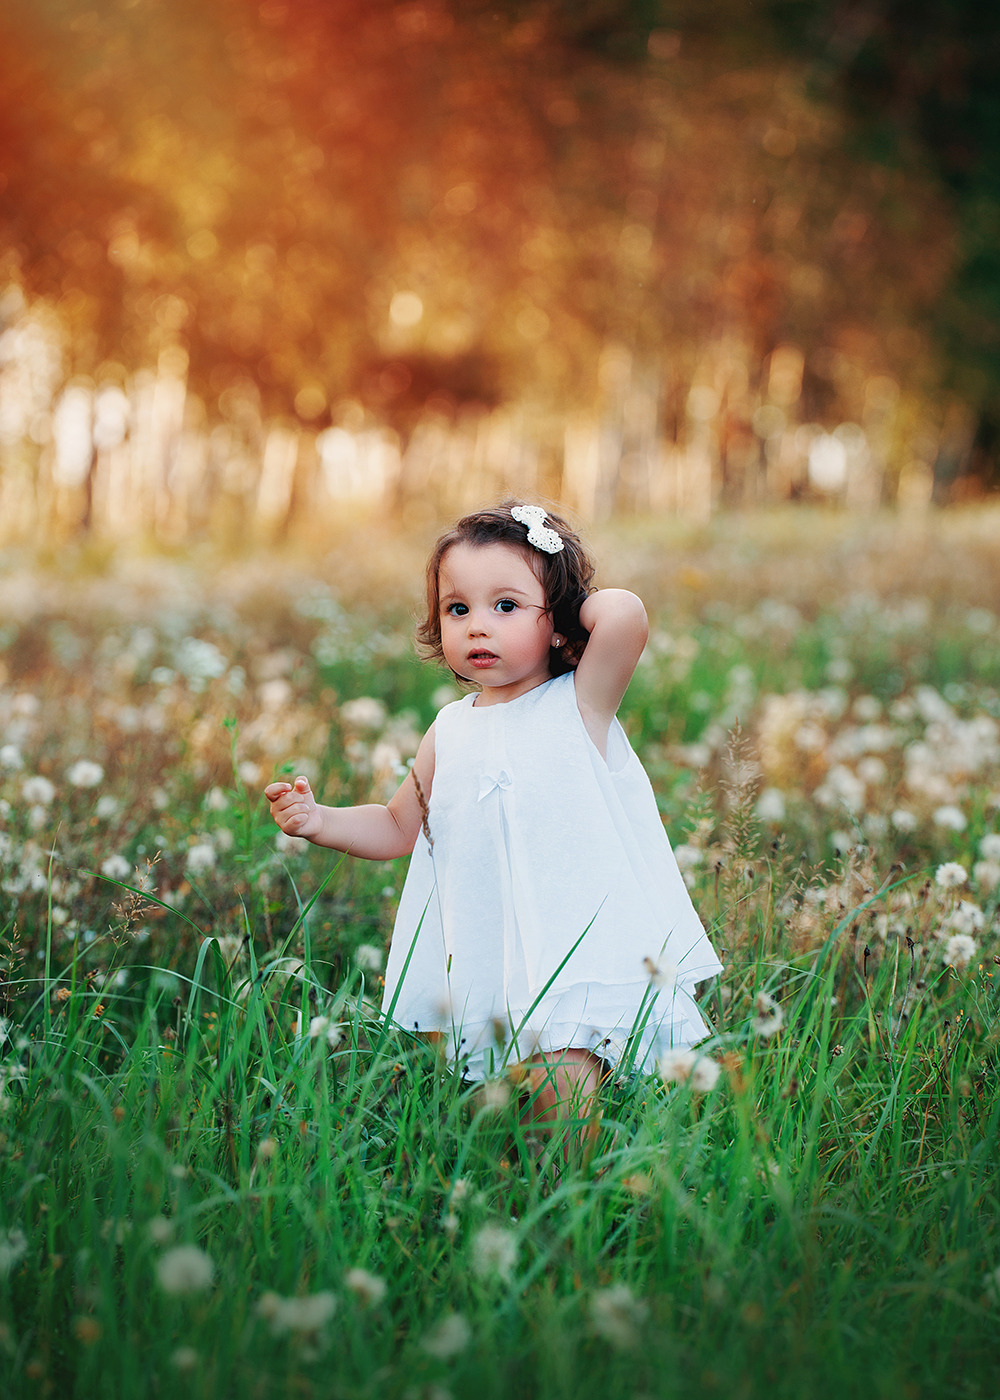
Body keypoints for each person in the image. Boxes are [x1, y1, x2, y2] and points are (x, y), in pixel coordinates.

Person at [265, 501, 721, 1162]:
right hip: (485, 949)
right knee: (498, 1104)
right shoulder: (449, 730)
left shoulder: (580, 703)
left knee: (562, 1086)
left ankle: (575, 1206)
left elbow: (623, 614)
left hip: (571, 944)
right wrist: (320, 820)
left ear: (559, 620)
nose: (478, 624)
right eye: (458, 609)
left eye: (506, 605)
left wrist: (567, 609)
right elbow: (397, 825)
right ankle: (513, 1189)